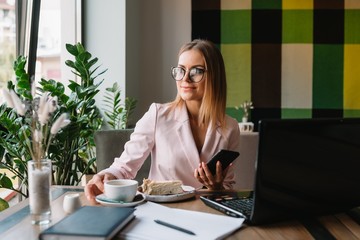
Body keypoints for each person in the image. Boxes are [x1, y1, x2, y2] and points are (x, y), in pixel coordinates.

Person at [85, 39, 240, 202]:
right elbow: (124, 167)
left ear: (215, 76)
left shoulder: (230, 127)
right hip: (162, 210)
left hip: (206, 212)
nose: (185, 79)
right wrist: (105, 176)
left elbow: (228, 186)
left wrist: (216, 188)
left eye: (196, 71)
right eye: (181, 70)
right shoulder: (158, 115)